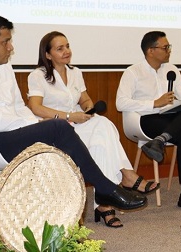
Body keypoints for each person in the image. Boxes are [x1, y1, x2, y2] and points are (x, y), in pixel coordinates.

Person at [0, 12, 147, 217]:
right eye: (5, 42)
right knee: (58, 128)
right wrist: (35, 128)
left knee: (73, 129)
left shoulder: (2, 67)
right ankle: (106, 189)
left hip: (7, 134)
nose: (11, 48)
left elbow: (19, 106)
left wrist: (34, 126)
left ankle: (96, 195)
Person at [26, 31, 159, 228]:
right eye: (60, 48)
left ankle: (106, 202)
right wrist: (70, 116)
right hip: (54, 129)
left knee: (102, 130)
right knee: (102, 130)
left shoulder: (75, 72)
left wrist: (88, 108)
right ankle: (124, 178)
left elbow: (84, 99)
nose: (66, 51)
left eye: (68, 46)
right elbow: (35, 107)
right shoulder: (38, 76)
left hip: (78, 124)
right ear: (47, 54)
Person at [116, 31, 181, 212]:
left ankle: (159, 142)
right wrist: (154, 103)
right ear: (150, 50)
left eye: (169, 47)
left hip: (170, 118)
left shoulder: (172, 70)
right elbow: (120, 102)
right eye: (165, 47)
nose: (169, 50)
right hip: (145, 119)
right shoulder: (133, 72)